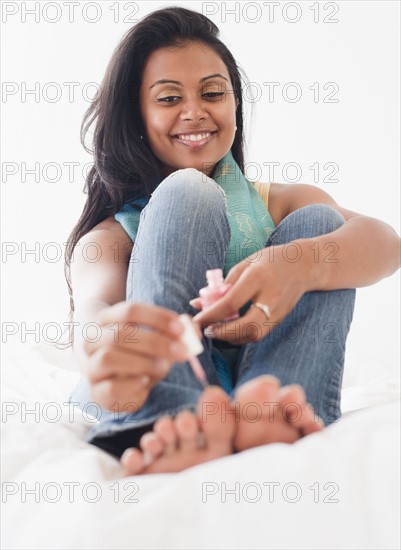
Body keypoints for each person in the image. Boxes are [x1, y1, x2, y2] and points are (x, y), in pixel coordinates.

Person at [65, 7, 400, 475]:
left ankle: (268, 416)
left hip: (271, 393)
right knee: (188, 190)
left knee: (322, 224)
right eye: (167, 98)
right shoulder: (110, 236)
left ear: (234, 105)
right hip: (157, 394)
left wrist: (297, 265)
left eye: (213, 92)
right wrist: (105, 346)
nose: (194, 111)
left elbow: (385, 242)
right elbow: (93, 312)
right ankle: (175, 414)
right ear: (136, 116)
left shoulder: (282, 202)